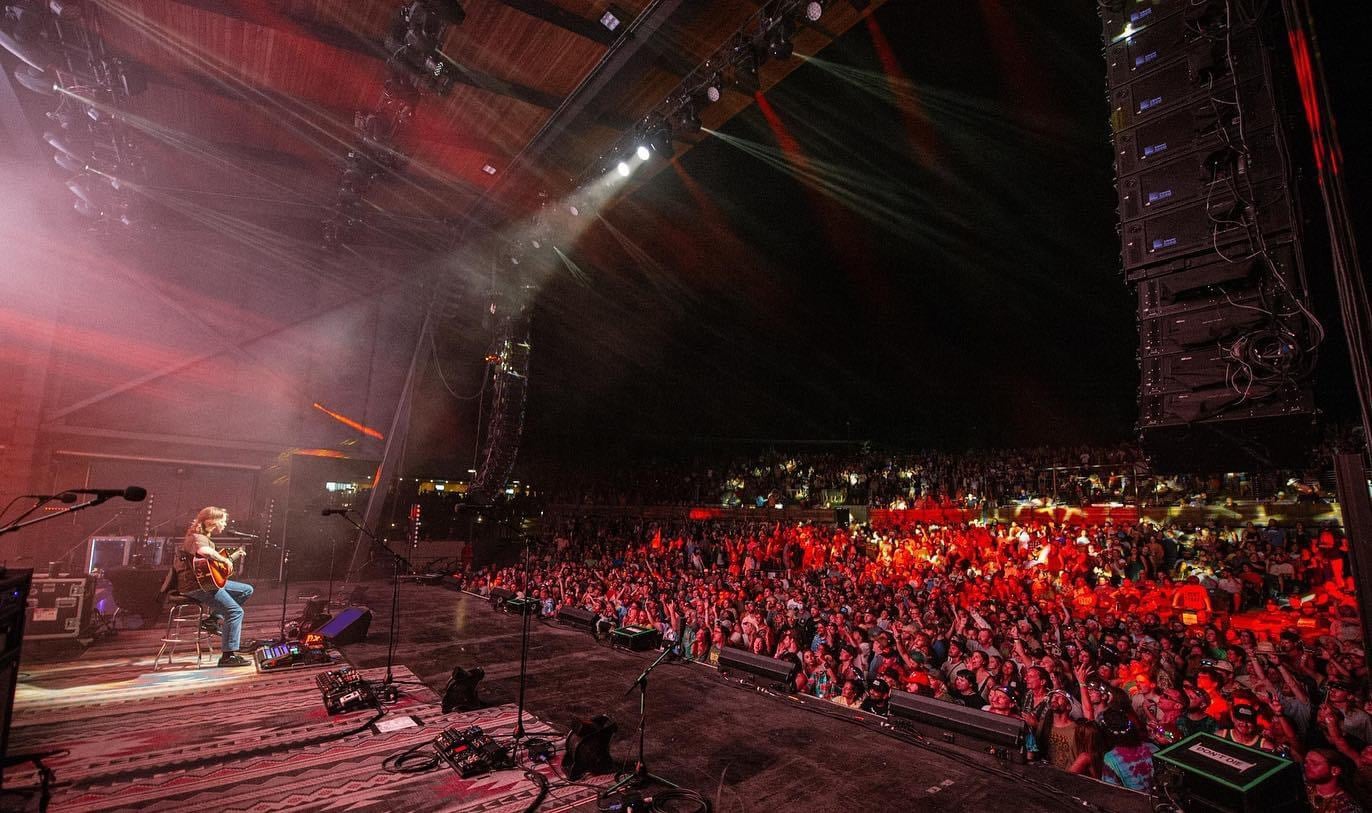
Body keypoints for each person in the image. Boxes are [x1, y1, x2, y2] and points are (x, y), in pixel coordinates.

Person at [176, 506, 255, 667]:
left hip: (205, 582)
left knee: (246, 590)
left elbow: (210, 567)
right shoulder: (198, 537)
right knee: (235, 611)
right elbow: (205, 552)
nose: (225, 524)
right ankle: (228, 656)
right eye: (223, 520)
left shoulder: (203, 537)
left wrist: (232, 556)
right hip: (198, 585)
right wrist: (224, 560)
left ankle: (214, 619)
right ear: (211, 521)